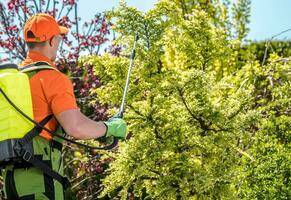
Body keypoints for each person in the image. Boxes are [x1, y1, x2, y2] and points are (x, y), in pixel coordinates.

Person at [2, 13, 126, 200]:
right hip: (40, 182)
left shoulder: (13, 82)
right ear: (52, 41)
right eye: (59, 38)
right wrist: (109, 127)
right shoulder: (52, 78)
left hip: (11, 181)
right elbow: (75, 127)